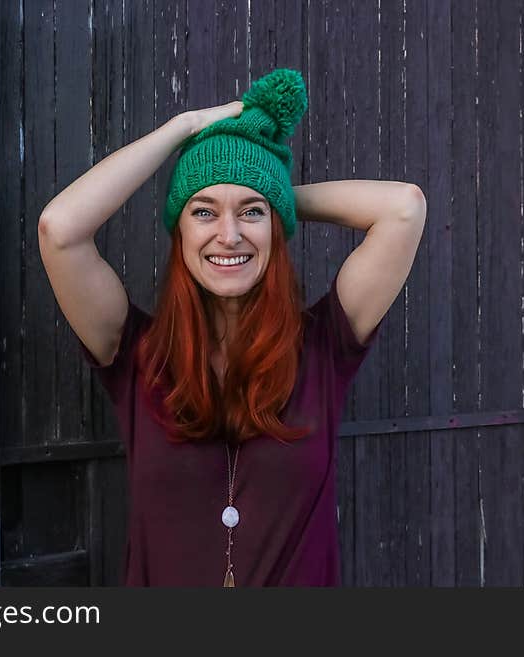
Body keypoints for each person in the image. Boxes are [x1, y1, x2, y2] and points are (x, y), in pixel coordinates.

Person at [38, 69, 426, 586]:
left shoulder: (323, 346)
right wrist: (185, 126)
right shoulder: (136, 354)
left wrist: (275, 195)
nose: (229, 235)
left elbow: (403, 209)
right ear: (180, 230)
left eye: (250, 214)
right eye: (203, 212)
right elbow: (59, 229)